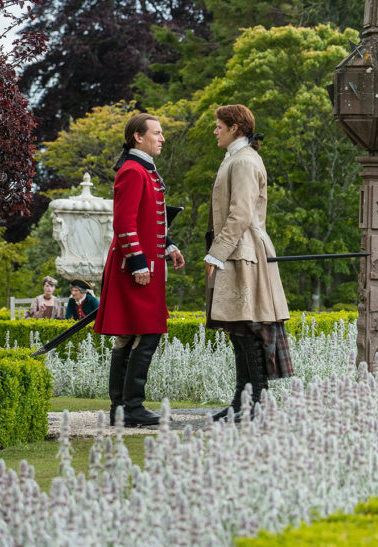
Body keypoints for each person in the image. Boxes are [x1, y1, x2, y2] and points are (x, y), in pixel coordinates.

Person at [94, 113, 186, 427]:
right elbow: (124, 223)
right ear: (139, 136)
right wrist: (138, 264)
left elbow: (149, 218)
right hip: (136, 269)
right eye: (157, 133)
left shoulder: (143, 169)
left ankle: (122, 410)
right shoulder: (133, 171)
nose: (162, 138)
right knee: (144, 334)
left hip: (144, 265)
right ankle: (130, 408)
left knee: (133, 335)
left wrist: (168, 245)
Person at [204, 104, 293, 423]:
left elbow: (240, 214)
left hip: (245, 252)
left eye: (219, 126)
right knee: (239, 330)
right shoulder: (236, 159)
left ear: (235, 128)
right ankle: (241, 401)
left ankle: (256, 402)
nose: (215, 131)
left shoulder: (244, 161)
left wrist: (217, 251)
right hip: (239, 251)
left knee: (250, 329)